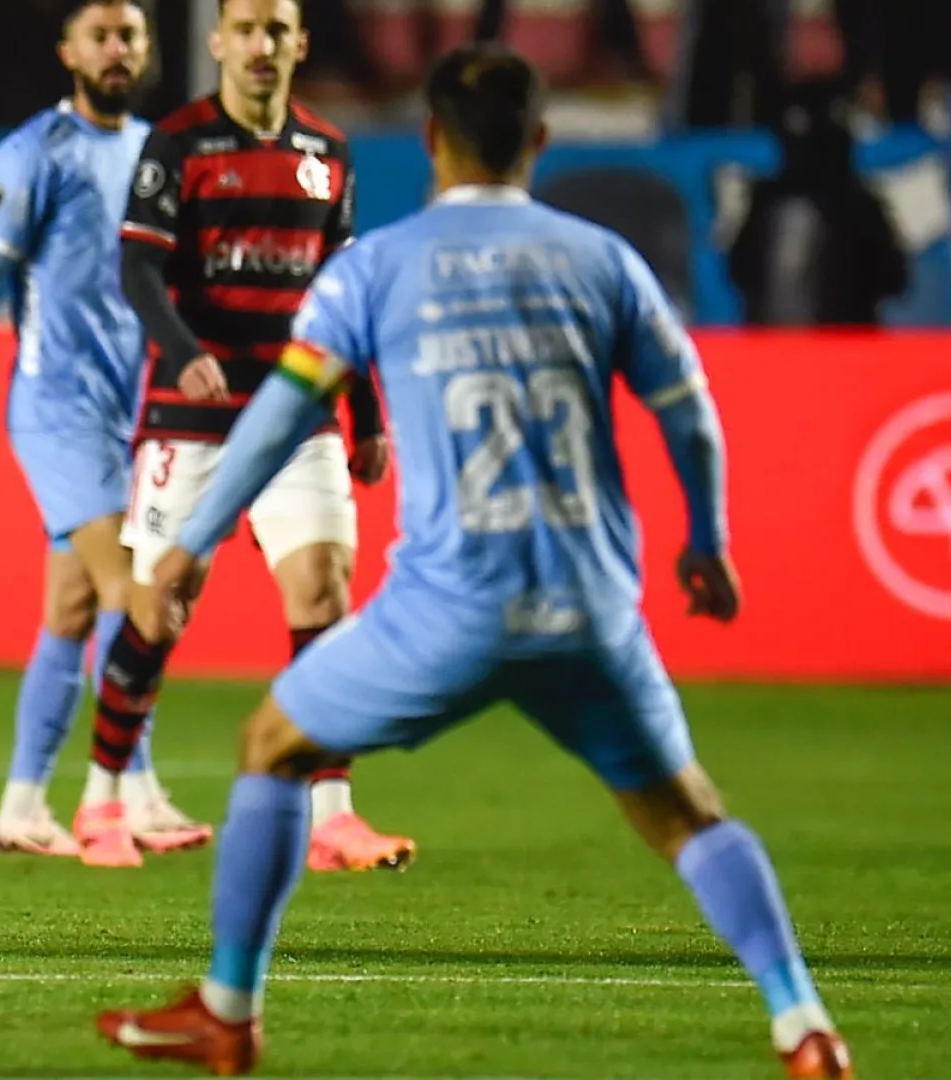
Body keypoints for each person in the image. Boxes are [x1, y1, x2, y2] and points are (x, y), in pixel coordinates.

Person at [95, 44, 853, 1080]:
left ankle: (229, 1010)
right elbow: (693, 419)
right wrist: (707, 543)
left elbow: (278, 420)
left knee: (272, 742)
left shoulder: (378, 265)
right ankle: (801, 1021)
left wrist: (191, 540)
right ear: (539, 142)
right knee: (689, 815)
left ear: (430, 142)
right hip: (589, 606)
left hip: (447, 608)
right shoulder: (602, 261)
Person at [90, 0, 415, 872]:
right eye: (248, 29)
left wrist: (368, 414)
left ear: (299, 43)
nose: (262, 45)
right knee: (161, 605)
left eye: (278, 29)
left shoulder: (328, 154)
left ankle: (333, 815)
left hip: (297, 415)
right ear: (219, 41)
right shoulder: (181, 145)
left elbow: (345, 297)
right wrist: (185, 351)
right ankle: (102, 797)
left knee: (324, 593)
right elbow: (138, 267)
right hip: (190, 416)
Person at [0, 0, 214, 863]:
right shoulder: (32, 153)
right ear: (68, 51)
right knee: (133, 589)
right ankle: (123, 789)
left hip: (135, 415)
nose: (118, 50)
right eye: (101, 35)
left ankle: (22, 804)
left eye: (131, 35)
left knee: (74, 605)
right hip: (56, 410)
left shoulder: (157, 152)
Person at [728, 79, 908, 327]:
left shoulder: (860, 206)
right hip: (774, 354)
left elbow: (894, 279)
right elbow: (738, 271)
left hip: (844, 351)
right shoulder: (766, 200)